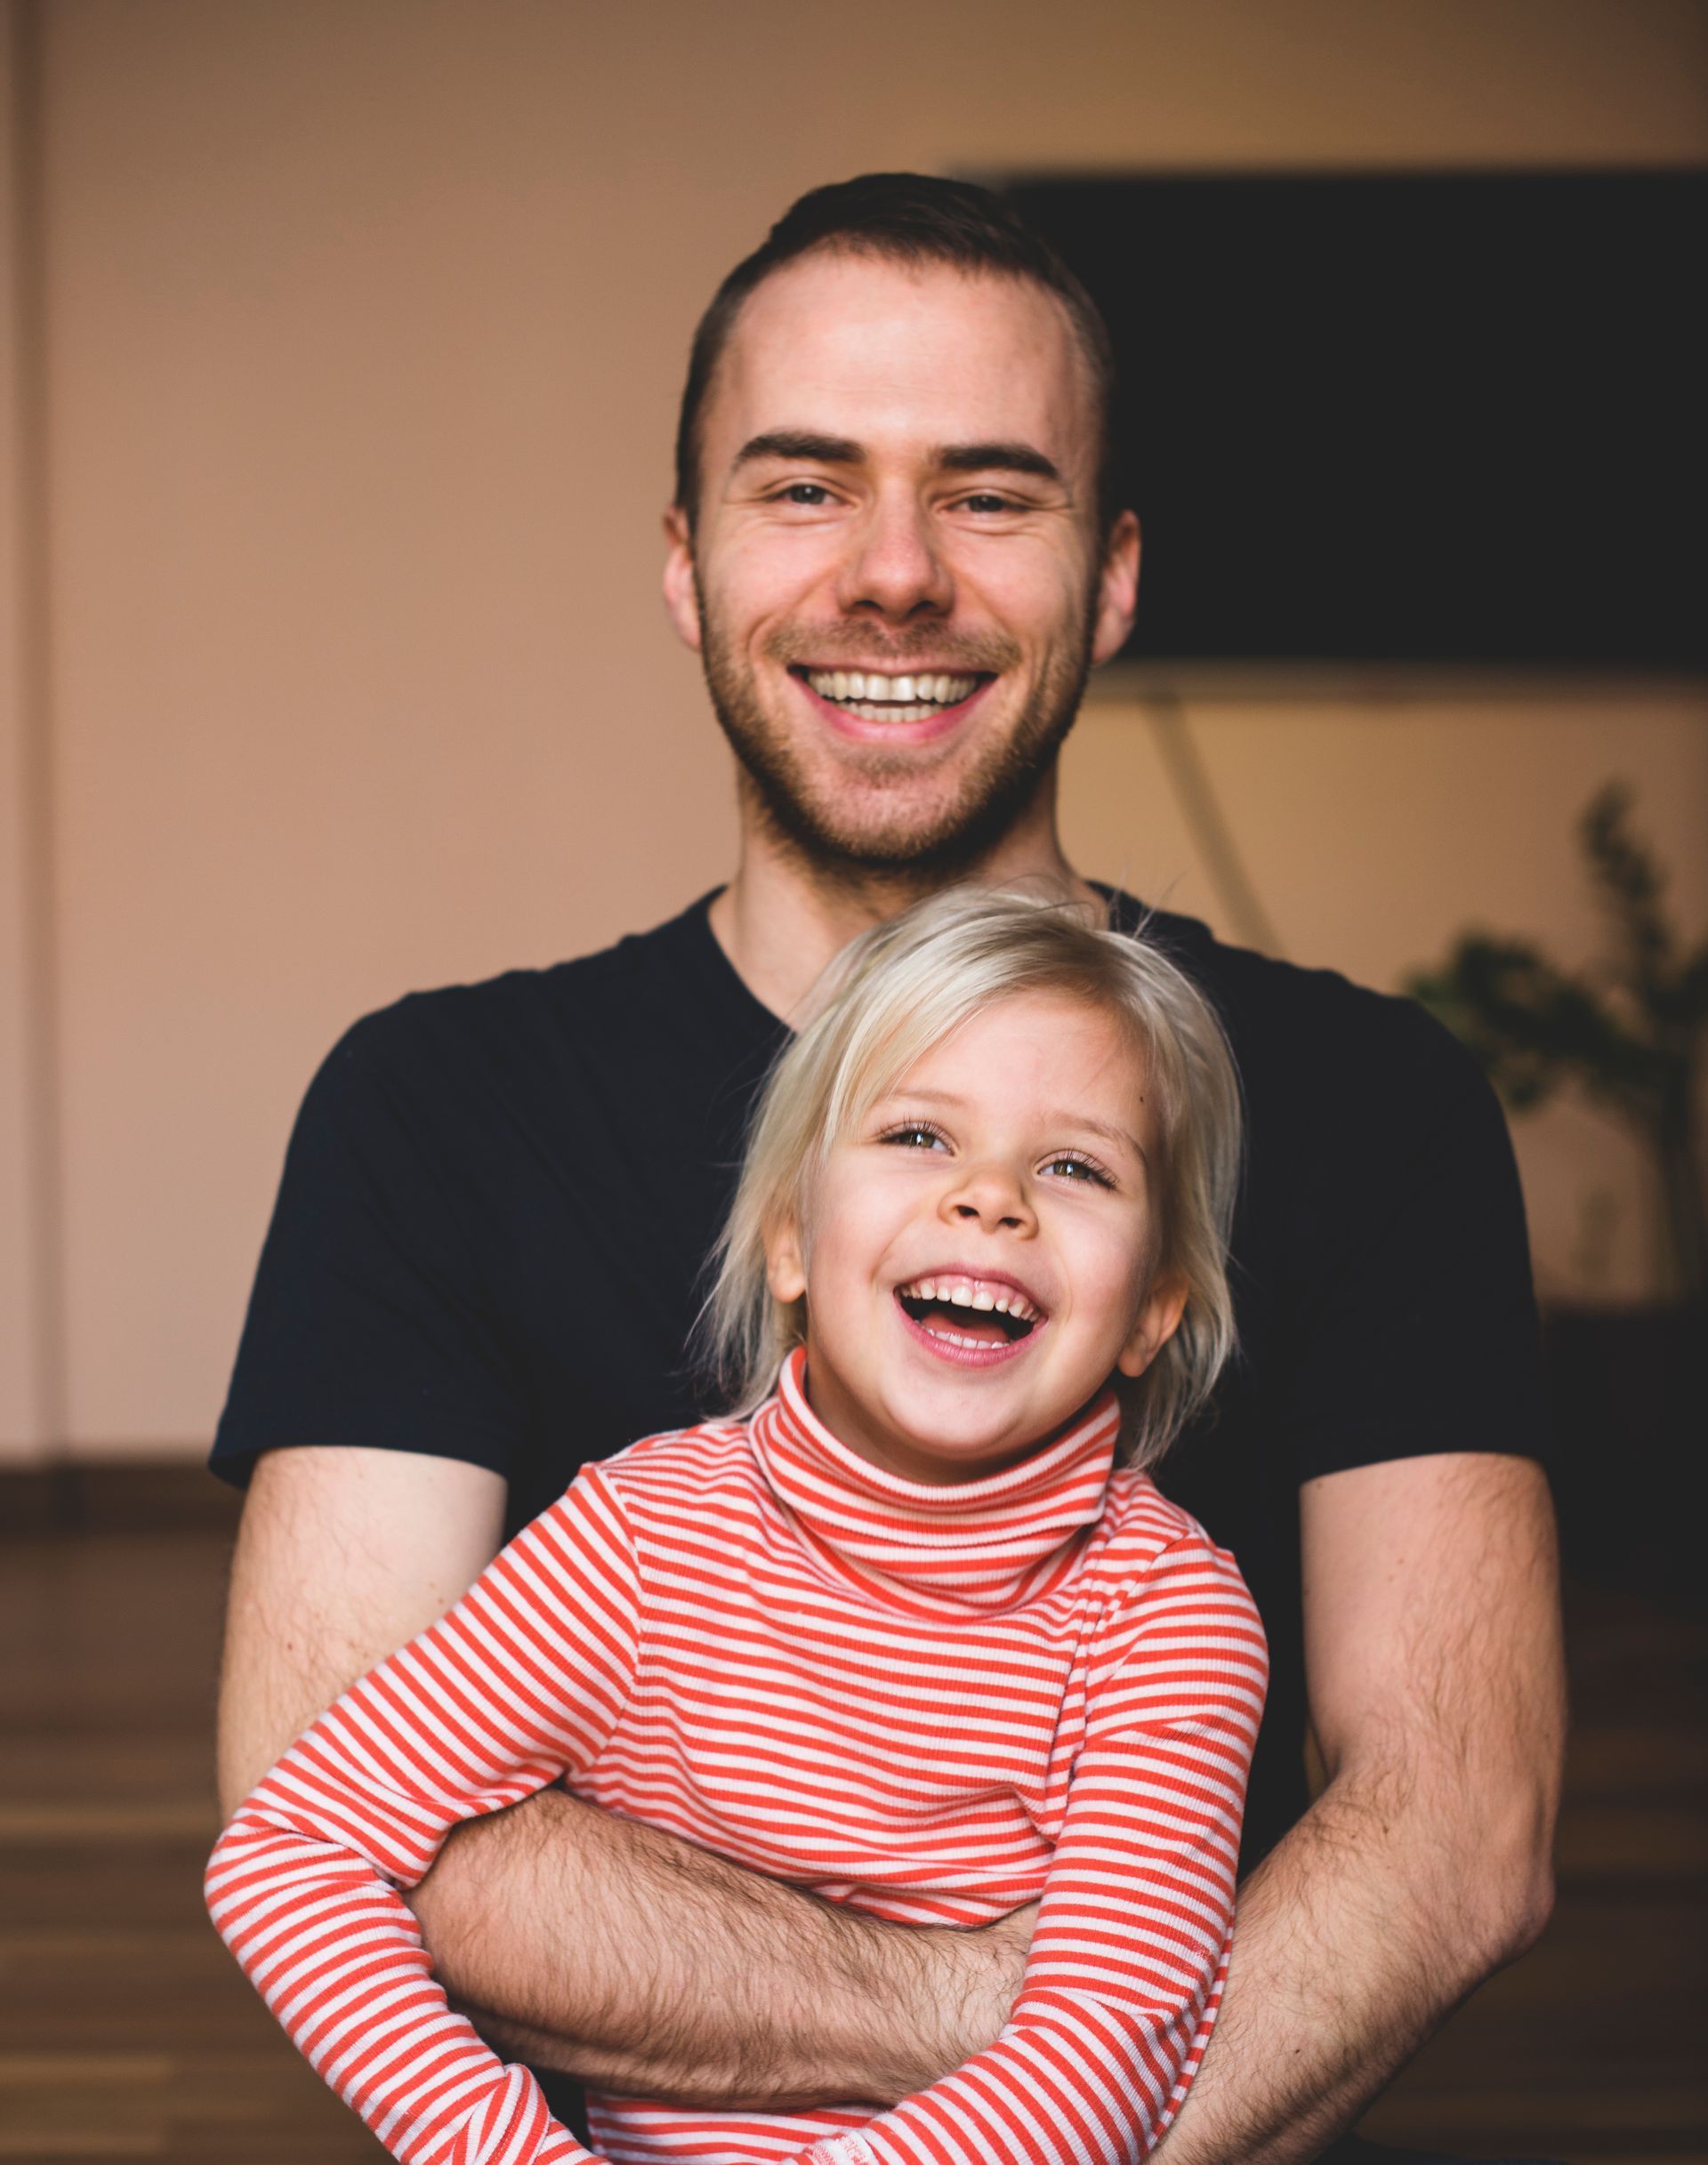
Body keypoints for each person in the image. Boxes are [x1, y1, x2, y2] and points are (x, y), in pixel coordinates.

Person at [212, 174, 1565, 2163]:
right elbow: (333, 1814)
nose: (898, 574)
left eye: (992, 494)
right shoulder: (428, 1104)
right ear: (688, 562)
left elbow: (1458, 1830)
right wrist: (1032, 2010)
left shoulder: (1376, 1103)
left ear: (1112, 577)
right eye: (806, 485)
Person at [207, 889, 1269, 2164]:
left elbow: (1111, 2041)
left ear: (1153, 1310)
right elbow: (290, 1846)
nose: (993, 1198)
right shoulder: (637, 1539)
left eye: (1076, 1165)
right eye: (921, 1134)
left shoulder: (1173, 1617)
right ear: (791, 1242)